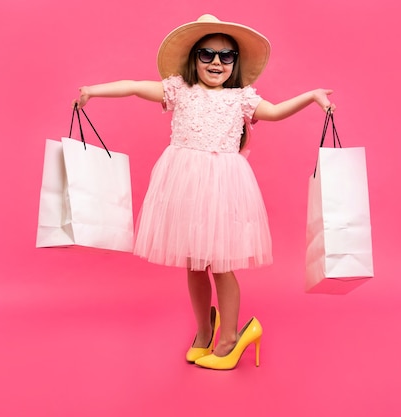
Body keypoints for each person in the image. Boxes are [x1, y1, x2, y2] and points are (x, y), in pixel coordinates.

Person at [73, 14, 335, 370]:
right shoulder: (179, 90)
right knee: (194, 263)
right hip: (184, 183)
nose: (216, 62)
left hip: (223, 186)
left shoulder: (240, 98)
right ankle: (203, 330)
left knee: (221, 264)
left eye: (225, 57)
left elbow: (273, 112)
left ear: (235, 64)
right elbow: (134, 86)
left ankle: (231, 337)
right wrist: (93, 91)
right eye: (207, 54)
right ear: (194, 58)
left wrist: (311, 96)